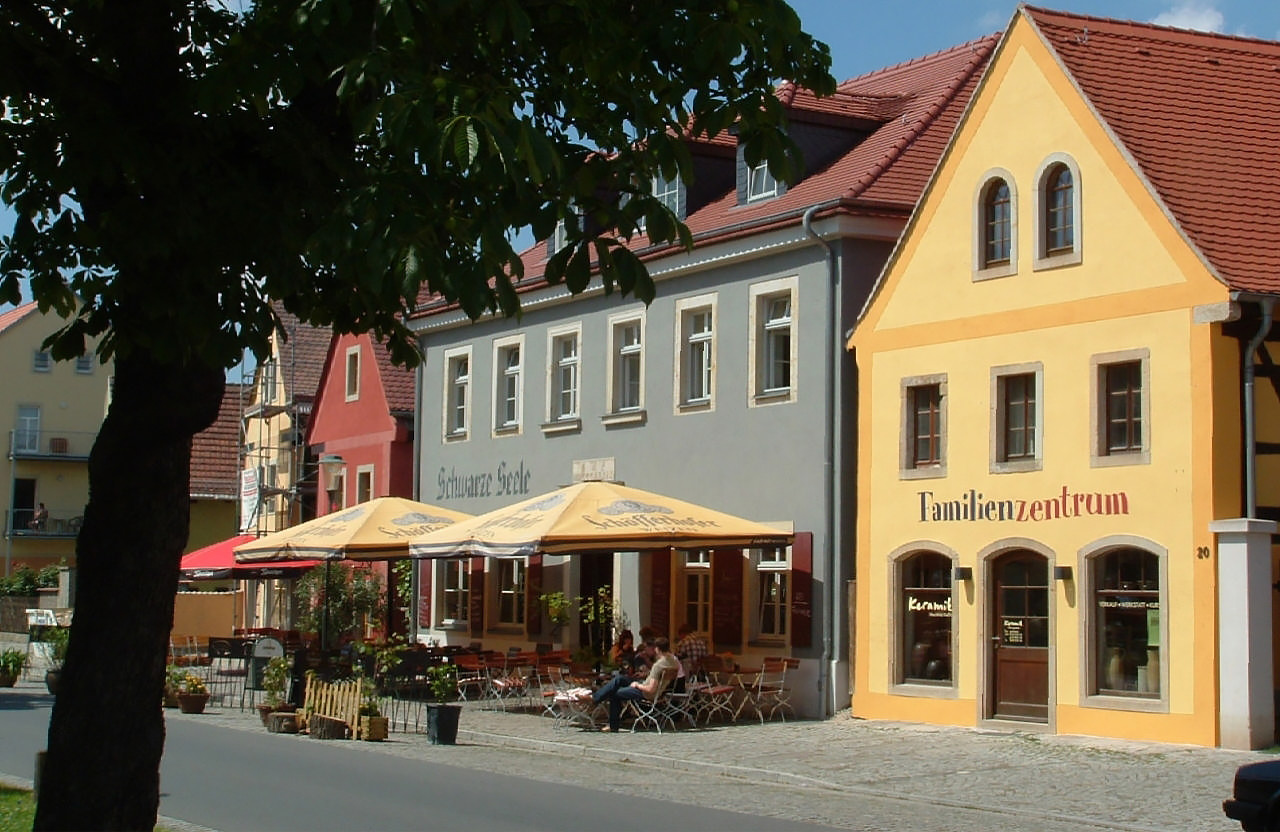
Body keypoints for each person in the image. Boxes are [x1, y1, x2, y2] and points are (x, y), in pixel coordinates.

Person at [591, 637, 679, 732]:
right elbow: (658, 679)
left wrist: (637, 685)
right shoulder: (673, 662)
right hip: (659, 692)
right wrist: (647, 674)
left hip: (646, 692)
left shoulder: (658, 665)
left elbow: (650, 689)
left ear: (657, 649)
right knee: (620, 679)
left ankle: (612, 724)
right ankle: (596, 697)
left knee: (615, 693)